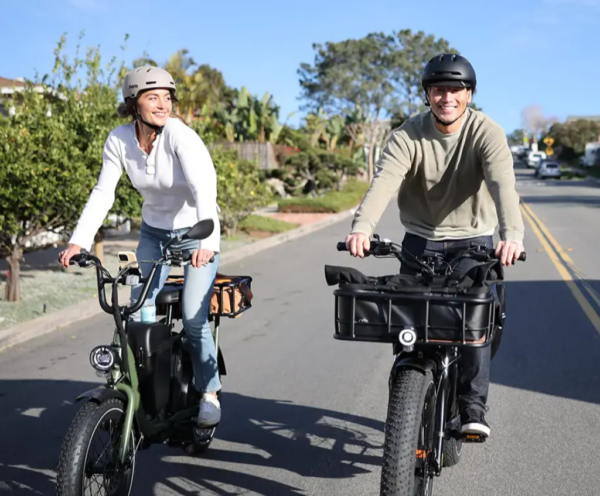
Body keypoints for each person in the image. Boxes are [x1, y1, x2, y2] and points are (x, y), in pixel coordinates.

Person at [345, 53, 525, 438]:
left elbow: (502, 187)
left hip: (473, 243)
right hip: (419, 243)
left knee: (474, 325)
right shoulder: (408, 134)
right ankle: (408, 395)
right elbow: (384, 183)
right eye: (438, 89)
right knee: (409, 328)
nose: (447, 97)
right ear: (427, 94)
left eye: (455, 90)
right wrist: (362, 228)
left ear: (469, 94)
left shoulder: (486, 133)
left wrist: (513, 236)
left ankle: (472, 405)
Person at [58, 66, 222, 427]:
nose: (163, 105)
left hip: (197, 232)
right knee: (136, 310)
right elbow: (103, 193)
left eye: (167, 97)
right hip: (154, 232)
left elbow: (204, 188)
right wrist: (78, 240)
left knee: (194, 318)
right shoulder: (118, 140)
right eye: (153, 97)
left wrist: (207, 242)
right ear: (134, 104)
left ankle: (209, 392)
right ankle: (145, 385)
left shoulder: (180, 136)